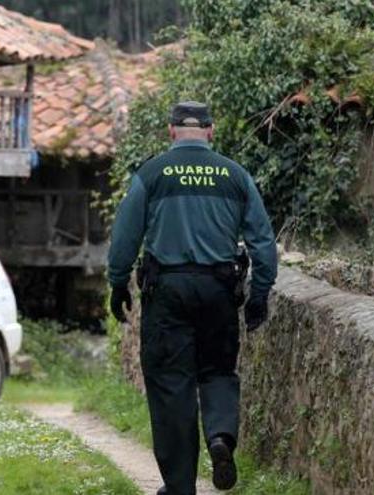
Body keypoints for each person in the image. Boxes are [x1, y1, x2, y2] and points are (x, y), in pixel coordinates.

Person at [107, 101, 278, 494]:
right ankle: (220, 436)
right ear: (211, 131)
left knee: (171, 385)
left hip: (166, 292)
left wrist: (118, 282)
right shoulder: (235, 176)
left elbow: (125, 237)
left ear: (170, 132)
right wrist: (260, 294)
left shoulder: (151, 174)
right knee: (217, 371)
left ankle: (180, 486)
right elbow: (263, 241)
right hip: (218, 290)